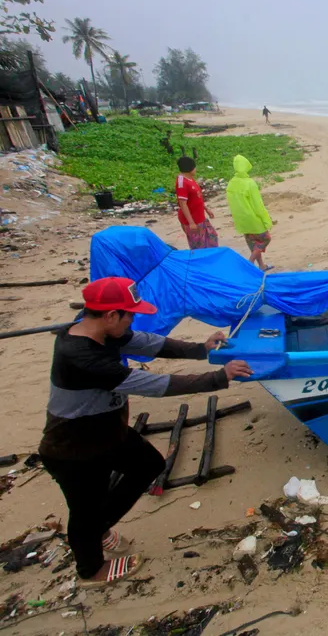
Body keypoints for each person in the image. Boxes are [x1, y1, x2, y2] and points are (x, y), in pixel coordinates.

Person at [39, 277, 253, 587]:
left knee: (148, 465)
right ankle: (91, 571)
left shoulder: (105, 332)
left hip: (106, 431)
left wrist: (200, 349)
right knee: (85, 510)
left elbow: (152, 343)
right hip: (73, 445)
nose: (133, 320)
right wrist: (218, 377)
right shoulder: (84, 358)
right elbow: (154, 385)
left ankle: (99, 527)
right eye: (131, 314)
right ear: (112, 315)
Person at [226, 154, 273, 269]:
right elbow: (258, 205)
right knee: (265, 239)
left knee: (253, 244)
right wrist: (266, 220)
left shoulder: (231, 182)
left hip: (241, 220)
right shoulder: (249, 183)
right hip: (253, 219)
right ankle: (250, 263)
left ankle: (261, 265)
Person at [175, 157, 218, 250]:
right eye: (194, 167)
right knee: (198, 246)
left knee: (212, 239)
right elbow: (183, 204)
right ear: (189, 168)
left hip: (200, 217)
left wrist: (206, 208)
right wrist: (191, 223)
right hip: (193, 220)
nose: (195, 169)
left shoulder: (190, 178)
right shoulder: (182, 183)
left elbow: (197, 197)